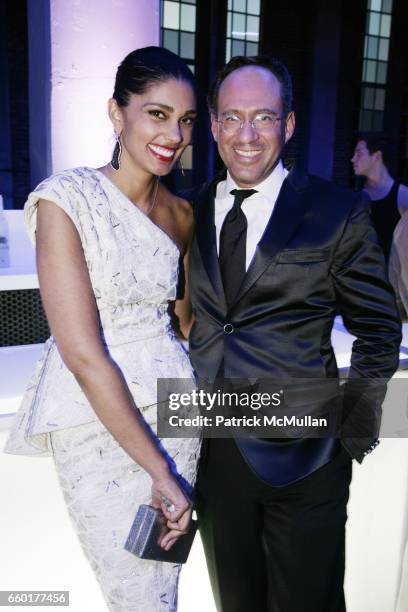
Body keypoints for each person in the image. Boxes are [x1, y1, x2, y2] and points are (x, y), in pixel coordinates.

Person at [186, 55, 401, 612]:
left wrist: (353, 430)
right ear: (213, 126)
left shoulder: (337, 210)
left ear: (288, 124)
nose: (247, 135)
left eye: (263, 117)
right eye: (232, 118)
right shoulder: (187, 212)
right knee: (236, 603)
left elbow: (379, 326)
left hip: (307, 452)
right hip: (214, 451)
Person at [4, 47, 201, 612]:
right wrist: (157, 470)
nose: (174, 134)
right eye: (156, 114)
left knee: (161, 582)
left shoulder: (182, 215)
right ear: (117, 113)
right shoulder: (65, 199)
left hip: (174, 414)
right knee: (130, 591)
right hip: (93, 421)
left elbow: (182, 326)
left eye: (185, 120)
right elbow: (83, 355)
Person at [351, 133, 408, 261]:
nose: (353, 159)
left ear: (377, 156)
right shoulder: (357, 196)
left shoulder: (403, 197)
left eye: (358, 153)